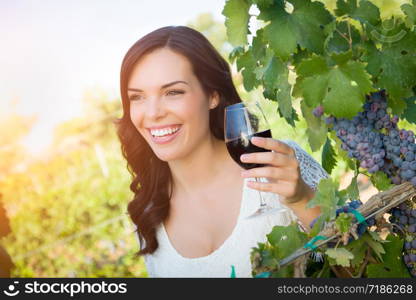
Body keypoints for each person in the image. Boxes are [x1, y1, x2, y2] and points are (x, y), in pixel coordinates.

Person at [116, 26, 328, 277]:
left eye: (173, 92)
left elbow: (351, 262)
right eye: (137, 97)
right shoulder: (148, 213)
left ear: (213, 95)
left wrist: (302, 200)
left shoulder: (279, 167)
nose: (152, 113)